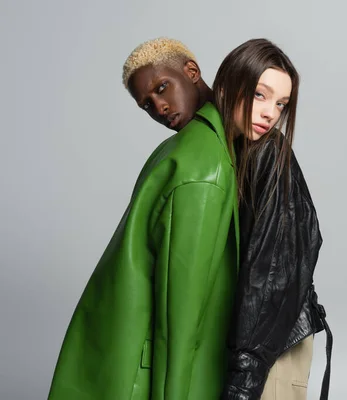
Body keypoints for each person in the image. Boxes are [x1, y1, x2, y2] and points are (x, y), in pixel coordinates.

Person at [48, 38, 239, 399]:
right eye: (147, 105)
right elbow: (178, 298)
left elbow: (181, 301)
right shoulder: (196, 156)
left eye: (162, 88)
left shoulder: (192, 156)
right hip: (138, 358)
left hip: (124, 356)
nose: (160, 107)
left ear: (192, 72)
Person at [213, 38, 332, 400]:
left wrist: (245, 377)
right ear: (227, 87)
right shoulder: (230, 151)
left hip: (273, 348)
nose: (270, 113)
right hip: (254, 345)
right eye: (260, 95)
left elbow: (272, 277)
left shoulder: (269, 153)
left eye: (281, 103)